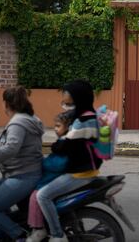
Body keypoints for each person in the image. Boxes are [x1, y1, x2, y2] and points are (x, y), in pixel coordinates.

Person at [0, 86, 44, 241]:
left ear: (7, 104)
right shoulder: (27, 118)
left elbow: (11, 148)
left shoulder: (18, 122)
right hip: (21, 173)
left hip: (22, 176)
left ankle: (19, 235)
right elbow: (14, 144)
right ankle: (11, 223)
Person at [36, 80, 103, 242]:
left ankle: (57, 235)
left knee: (42, 196)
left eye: (68, 98)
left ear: (78, 98)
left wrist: (57, 144)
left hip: (81, 173)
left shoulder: (84, 121)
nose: (65, 102)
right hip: (81, 169)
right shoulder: (86, 116)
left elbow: (63, 146)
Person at [26, 111, 74, 242]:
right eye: (55, 125)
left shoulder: (66, 143)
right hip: (54, 174)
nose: (55, 128)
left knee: (36, 196)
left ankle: (39, 228)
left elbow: (58, 164)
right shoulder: (63, 141)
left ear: (68, 127)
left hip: (54, 176)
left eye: (58, 126)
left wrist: (43, 164)